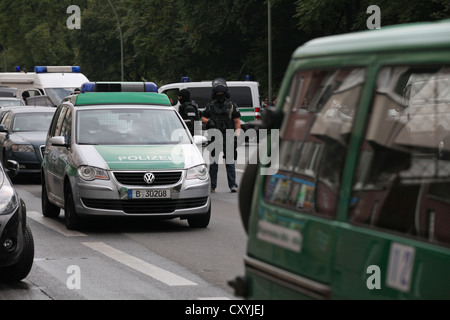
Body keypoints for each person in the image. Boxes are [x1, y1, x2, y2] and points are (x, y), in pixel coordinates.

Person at [202, 78, 241, 193]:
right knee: (213, 164)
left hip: (228, 136)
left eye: (222, 93)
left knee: (230, 162)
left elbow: (237, 121)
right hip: (215, 138)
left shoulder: (232, 106)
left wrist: (237, 135)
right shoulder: (210, 106)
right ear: (214, 93)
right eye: (218, 93)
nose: (220, 95)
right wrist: (209, 122)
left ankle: (233, 185)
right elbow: (203, 118)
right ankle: (212, 186)